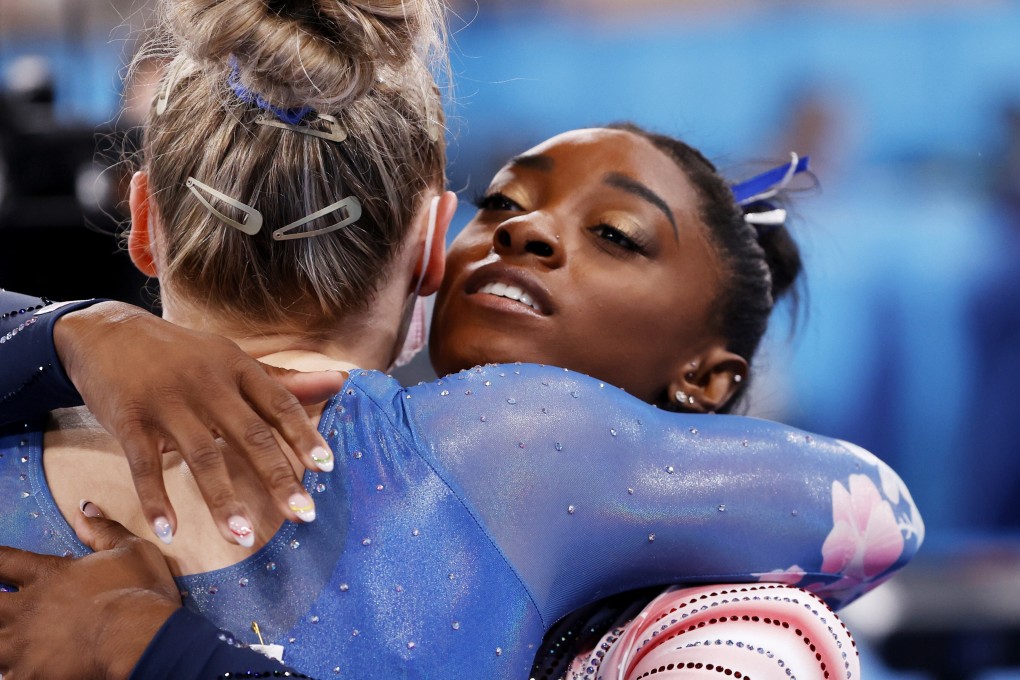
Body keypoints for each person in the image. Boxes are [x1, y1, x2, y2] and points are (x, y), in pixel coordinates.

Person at [0, 2, 922, 679]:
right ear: (431, 246)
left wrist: (66, 335)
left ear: (144, 221)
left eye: (613, 235)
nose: (526, 236)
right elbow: (878, 515)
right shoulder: (524, 447)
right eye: (505, 206)